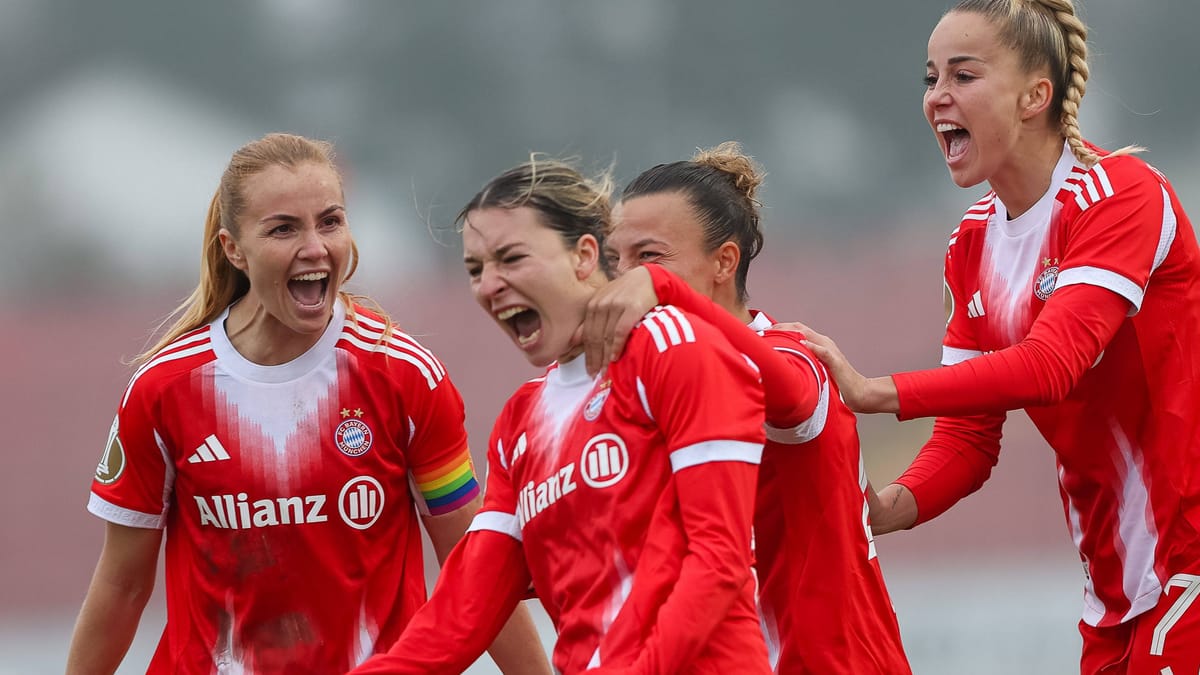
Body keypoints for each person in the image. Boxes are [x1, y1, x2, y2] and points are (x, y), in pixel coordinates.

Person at [788, 1, 1200, 673]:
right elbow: (967, 439)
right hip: (1115, 597)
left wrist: (873, 392)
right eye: (930, 78)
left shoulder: (1121, 196)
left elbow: (1050, 366)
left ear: (1036, 95)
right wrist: (883, 508)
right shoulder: (971, 243)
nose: (937, 97)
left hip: (1189, 567)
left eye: (964, 75)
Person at [65, 133, 549, 674]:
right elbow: (123, 586)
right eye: (283, 229)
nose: (315, 247)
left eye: (330, 221)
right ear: (233, 249)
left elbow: (474, 569)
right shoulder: (165, 389)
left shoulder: (405, 375)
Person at [349, 156, 772, 674]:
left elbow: (720, 562)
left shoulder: (676, 350)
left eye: (512, 258)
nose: (489, 285)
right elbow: (464, 609)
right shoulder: (521, 420)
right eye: (476, 270)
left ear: (585, 255)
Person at [581, 142, 911, 674]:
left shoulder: (791, 352)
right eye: (618, 260)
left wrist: (666, 291)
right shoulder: (645, 385)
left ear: (724, 262)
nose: (629, 279)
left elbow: (790, 395)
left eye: (650, 257)